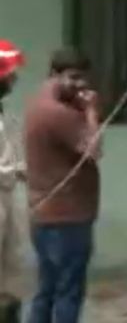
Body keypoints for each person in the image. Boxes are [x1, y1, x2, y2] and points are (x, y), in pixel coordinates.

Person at [25, 48, 103, 323]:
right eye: (74, 78)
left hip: (42, 214)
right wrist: (92, 111)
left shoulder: (36, 104)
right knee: (68, 292)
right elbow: (94, 150)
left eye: (84, 78)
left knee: (46, 290)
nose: (82, 85)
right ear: (55, 75)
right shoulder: (60, 114)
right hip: (68, 216)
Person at [0, 42, 24, 323]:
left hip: (7, 196)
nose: (14, 80)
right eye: (9, 74)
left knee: (11, 270)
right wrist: (13, 170)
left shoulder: (5, 113)